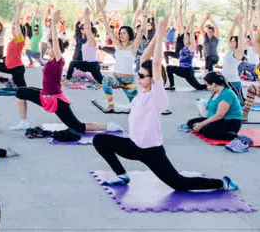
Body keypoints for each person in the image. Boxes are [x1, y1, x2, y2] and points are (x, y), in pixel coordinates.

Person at [93, 18, 239, 191]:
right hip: (133, 145)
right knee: (99, 140)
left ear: (153, 79)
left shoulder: (157, 94)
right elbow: (144, 59)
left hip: (151, 151)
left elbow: (155, 63)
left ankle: (222, 183)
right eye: (138, 75)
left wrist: (161, 37)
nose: (138, 78)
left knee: (179, 184)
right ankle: (122, 175)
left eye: (142, 76)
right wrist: (154, 38)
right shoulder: (142, 91)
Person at [14, 9, 119, 133]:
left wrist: (53, 23)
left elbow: (54, 41)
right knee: (21, 92)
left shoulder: (59, 61)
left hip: (57, 101)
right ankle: (23, 122)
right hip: (45, 95)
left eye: (51, 48)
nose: (49, 50)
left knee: (78, 127)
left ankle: (109, 127)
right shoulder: (49, 60)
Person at [182, 72, 247, 152]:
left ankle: (233, 135)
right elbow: (211, 109)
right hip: (218, 120)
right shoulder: (216, 92)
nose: (206, 87)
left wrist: (202, 124)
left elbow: (220, 115)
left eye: (207, 85)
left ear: (214, 84)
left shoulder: (227, 94)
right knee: (191, 122)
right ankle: (206, 128)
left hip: (230, 122)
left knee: (206, 131)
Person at [98, 5, 145, 112]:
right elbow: (109, 31)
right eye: (120, 33)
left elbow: (141, 32)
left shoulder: (133, 46)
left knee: (136, 106)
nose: (121, 35)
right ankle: (111, 105)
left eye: (124, 33)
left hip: (128, 80)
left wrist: (145, 16)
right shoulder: (118, 45)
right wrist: (104, 16)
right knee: (105, 81)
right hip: (116, 78)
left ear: (129, 35)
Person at [0, 2, 27, 91]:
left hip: (17, 68)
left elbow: (16, 23)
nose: (13, 29)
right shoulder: (13, 40)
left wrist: (18, 10)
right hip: (8, 66)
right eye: (12, 28)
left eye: (15, 29)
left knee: (23, 90)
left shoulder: (20, 39)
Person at [165, 14, 206, 91]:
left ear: (190, 39)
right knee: (169, 68)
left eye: (187, 38)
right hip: (182, 69)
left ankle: (211, 85)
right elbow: (186, 32)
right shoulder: (184, 46)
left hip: (187, 71)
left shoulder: (192, 47)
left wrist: (192, 23)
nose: (185, 39)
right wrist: (190, 21)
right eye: (185, 38)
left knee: (199, 87)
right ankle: (172, 86)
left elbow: (190, 34)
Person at [65, 7, 103, 84]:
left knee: (74, 64)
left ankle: (67, 81)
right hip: (85, 62)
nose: (83, 29)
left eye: (84, 27)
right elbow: (77, 26)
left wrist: (87, 16)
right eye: (82, 28)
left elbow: (88, 28)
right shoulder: (80, 37)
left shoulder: (91, 39)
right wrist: (85, 16)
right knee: (101, 80)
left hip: (90, 64)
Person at [221, 14, 245, 103]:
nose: (231, 43)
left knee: (240, 102)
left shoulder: (238, 53)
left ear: (237, 43)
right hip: (225, 82)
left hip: (234, 82)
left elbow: (241, 38)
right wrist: (234, 22)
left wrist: (239, 23)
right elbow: (229, 35)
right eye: (231, 41)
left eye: (234, 41)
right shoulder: (230, 52)